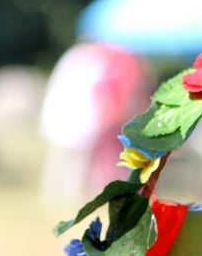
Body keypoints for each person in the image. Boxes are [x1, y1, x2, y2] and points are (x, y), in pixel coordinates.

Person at [39, 42, 151, 203]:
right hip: (81, 119)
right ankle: (66, 197)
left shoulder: (79, 60)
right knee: (76, 164)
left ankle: (60, 197)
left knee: (68, 162)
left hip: (77, 119)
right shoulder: (93, 64)